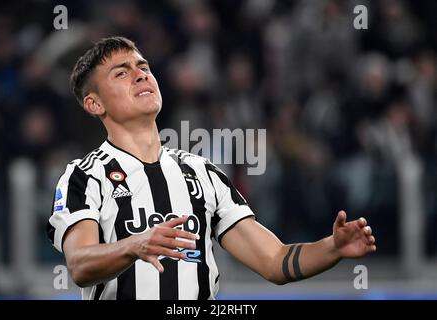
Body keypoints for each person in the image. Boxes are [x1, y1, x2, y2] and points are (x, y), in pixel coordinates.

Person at [46, 36, 376, 300]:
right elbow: (79, 263)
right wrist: (135, 245)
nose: (140, 74)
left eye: (143, 66)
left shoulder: (202, 172)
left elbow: (274, 261)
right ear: (95, 104)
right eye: (121, 72)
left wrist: (332, 247)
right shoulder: (84, 176)